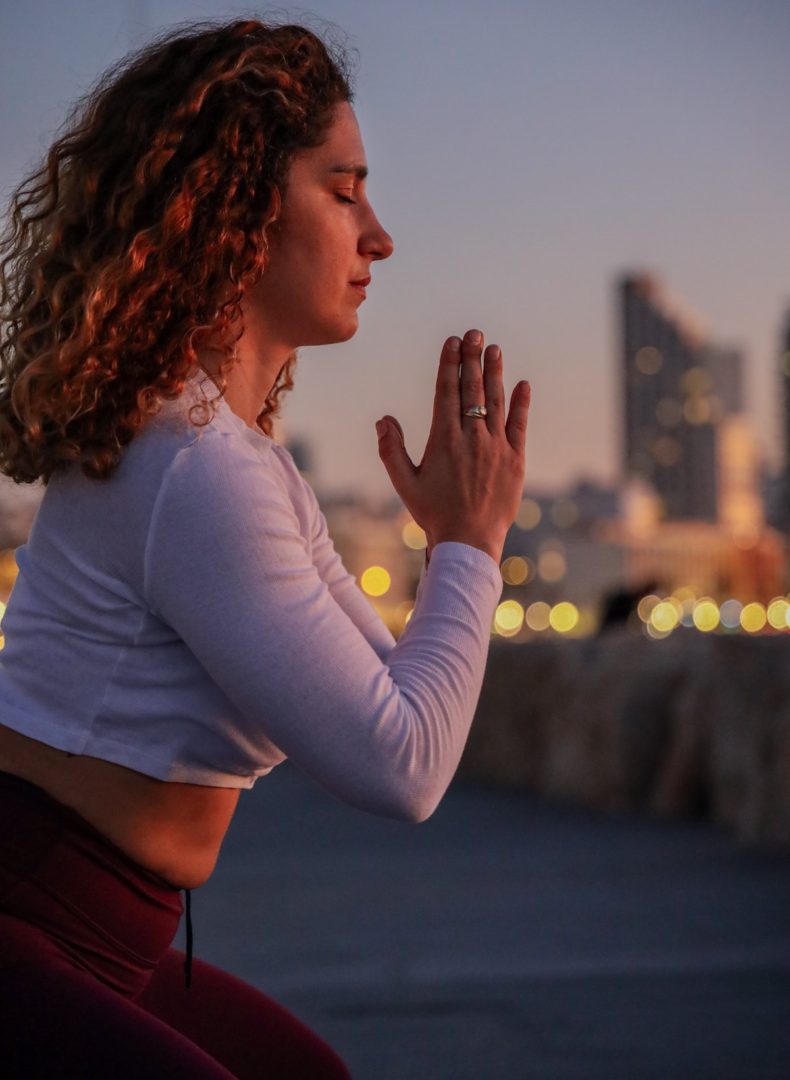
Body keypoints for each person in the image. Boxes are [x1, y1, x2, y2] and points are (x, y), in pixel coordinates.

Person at [0, 17, 531, 1079]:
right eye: (343, 192)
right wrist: (471, 547)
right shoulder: (192, 466)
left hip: (104, 935)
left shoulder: (232, 457)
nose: (377, 236)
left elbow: (387, 698)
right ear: (235, 210)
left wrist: (452, 542)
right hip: (29, 916)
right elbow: (402, 768)